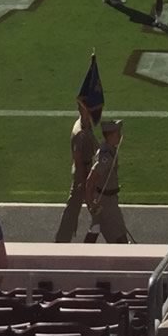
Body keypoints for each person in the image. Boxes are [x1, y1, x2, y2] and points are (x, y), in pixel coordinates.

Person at [54, 99, 99, 242]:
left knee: (77, 209)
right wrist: (83, 182)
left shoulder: (85, 124)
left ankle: (65, 238)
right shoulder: (79, 132)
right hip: (83, 174)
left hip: (85, 172)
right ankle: (63, 240)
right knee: (78, 209)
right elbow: (78, 159)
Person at [85, 120, 130, 243]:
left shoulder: (109, 150)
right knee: (119, 231)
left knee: (96, 227)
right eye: (117, 133)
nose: (120, 136)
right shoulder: (106, 157)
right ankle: (125, 257)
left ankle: (82, 254)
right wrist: (90, 203)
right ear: (110, 136)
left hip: (104, 198)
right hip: (106, 201)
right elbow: (91, 180)